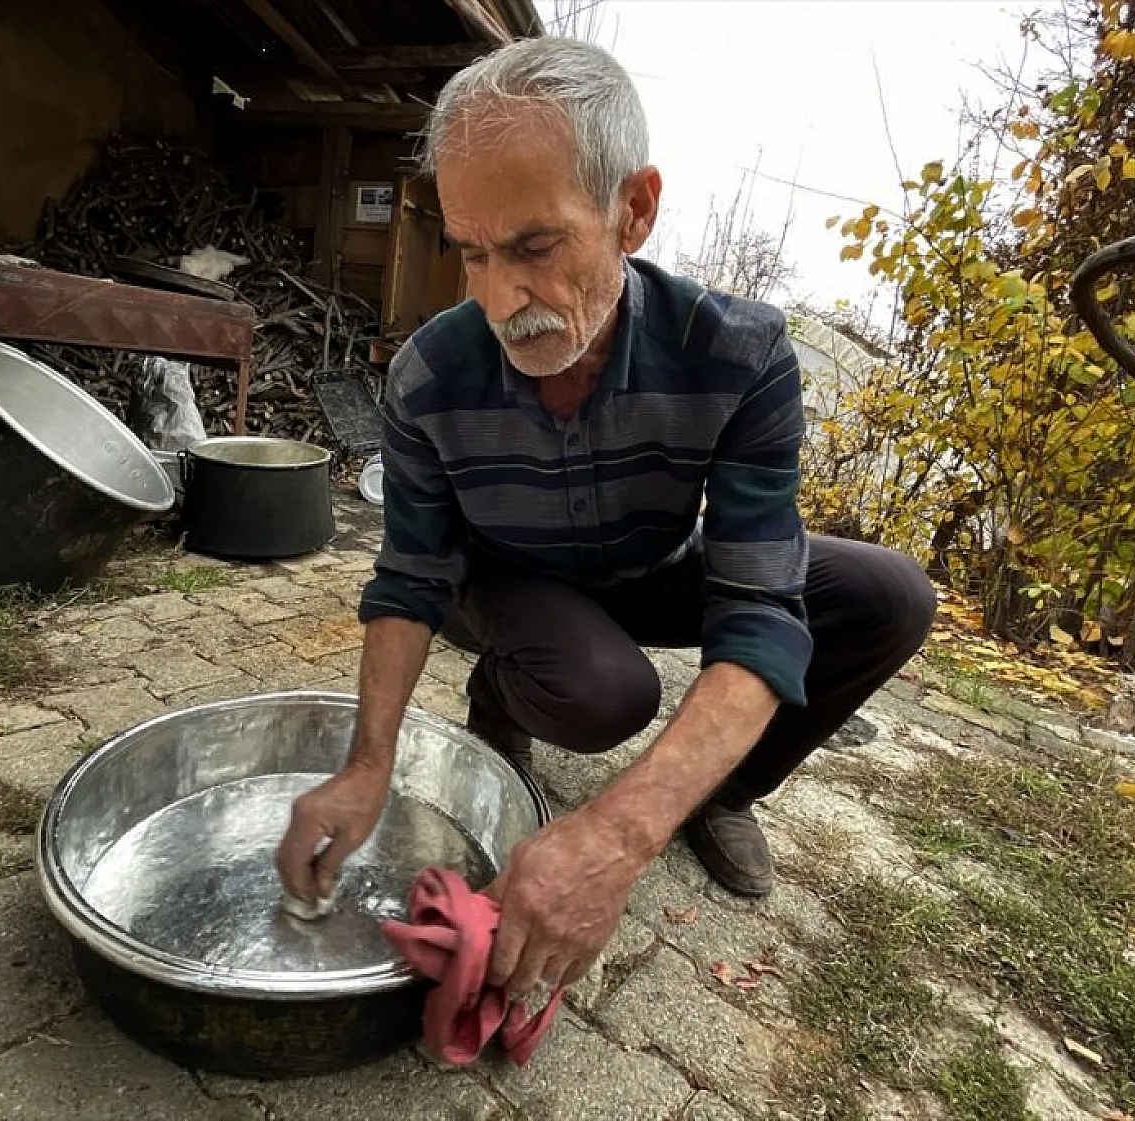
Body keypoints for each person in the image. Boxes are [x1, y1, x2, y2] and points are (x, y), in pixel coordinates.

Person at [275, 36, 935, 1002]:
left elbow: (759, 609)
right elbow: (412, 575)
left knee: (888, 594)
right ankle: (503, 697)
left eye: (536, 248)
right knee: (603, 692)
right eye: (473, 253)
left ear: (634, 210)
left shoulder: (740, 355)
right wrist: (368, 764)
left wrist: (623, 833)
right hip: (504, 580)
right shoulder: (427, 376)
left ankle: (722, 794)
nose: (503, 297)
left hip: (653, 562)